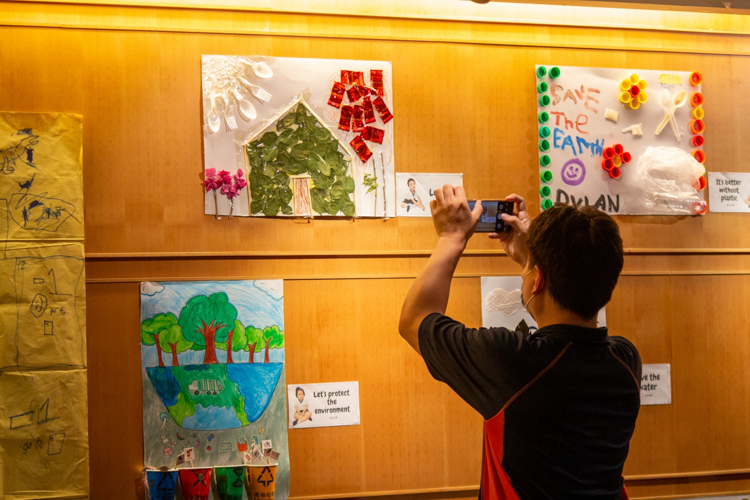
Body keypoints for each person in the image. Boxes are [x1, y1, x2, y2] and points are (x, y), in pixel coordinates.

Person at [398, 185, 641, 500]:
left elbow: (415, 319)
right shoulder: (625, 360)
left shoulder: (510, 362)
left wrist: (451, 237)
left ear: (537, 280)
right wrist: (535, 259)